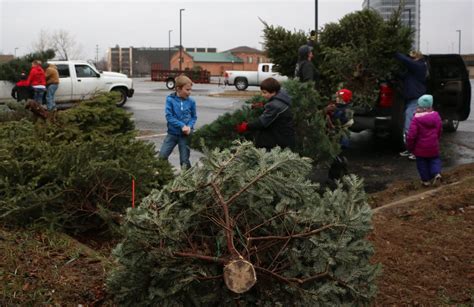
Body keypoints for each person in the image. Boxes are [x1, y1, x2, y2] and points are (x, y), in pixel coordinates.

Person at [235, 77, 295, 151]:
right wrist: (263, 106)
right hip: (285, 136)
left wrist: (246, 126)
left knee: (261, 138)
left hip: (278, 141)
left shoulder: (274, 105)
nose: (262, 95)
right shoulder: (282, 98)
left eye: (264, 92)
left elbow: (261, 123)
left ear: (273, 92)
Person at [158, 75, 197, 170]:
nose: (189, 92)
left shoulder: (191, 102)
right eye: (187, 90)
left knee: (184, 161)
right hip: (172, 134)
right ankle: (165, 175)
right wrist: (182, 125)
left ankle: (187, 180)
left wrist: (189, 127)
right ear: (178, 89)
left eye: (190, 90)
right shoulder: (170, 100)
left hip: (185, 136)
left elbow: (194, 117)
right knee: (162, 156)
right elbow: (169, 117)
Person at [394, 50, 427, 160]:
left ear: (417, 58)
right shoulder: (412, 70)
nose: (410, 59)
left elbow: (406, 61)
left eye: (412, 57)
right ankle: (410, 149)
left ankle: (416, 151)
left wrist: (395, 53)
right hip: (410, 100)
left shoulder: (420, 66)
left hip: (416, 100)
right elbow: (403, 76)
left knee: (411, 127)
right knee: (408, 126)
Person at [405, 94, 442, 187]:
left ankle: (425, 181)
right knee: (435, 160)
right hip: (433, 146)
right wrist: (436, 139)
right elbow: (439, 130)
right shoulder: (436, 116)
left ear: (424, 108)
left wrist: (410, 147)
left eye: (418, 106)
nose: (417, 108)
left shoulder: (416, 119)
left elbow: (411, 135)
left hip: (420, 148)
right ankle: (436, 173)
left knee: (422, 164)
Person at [326, 89, 354, 181]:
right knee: (336, 157)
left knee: (337, 157)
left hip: (341, 137)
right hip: (337, 136)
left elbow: (342, 121)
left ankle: (337, 177)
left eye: (338, 98)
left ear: (344, 100)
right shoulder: (339, 107)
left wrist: (333, 113)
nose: (336, 99)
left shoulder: (346, 110)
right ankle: (338, 175)